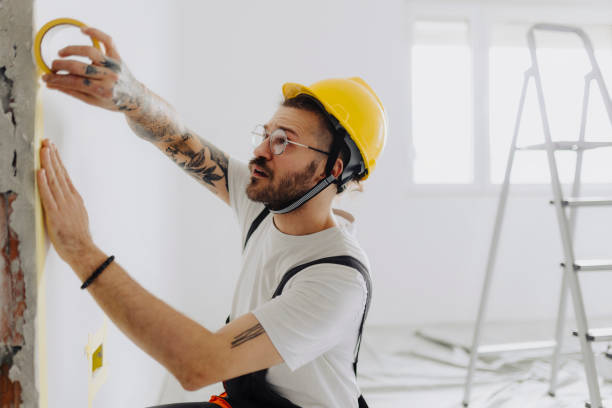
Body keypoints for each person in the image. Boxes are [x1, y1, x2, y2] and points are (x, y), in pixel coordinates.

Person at [39, 26, 387, 408]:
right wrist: (131, 96)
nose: (260, 151)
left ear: (333, 169)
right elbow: (177, 137)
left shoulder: (336, 279)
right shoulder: (266, 200)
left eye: (283, 141)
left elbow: (198, 364)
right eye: (266, 134)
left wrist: (80, 250)